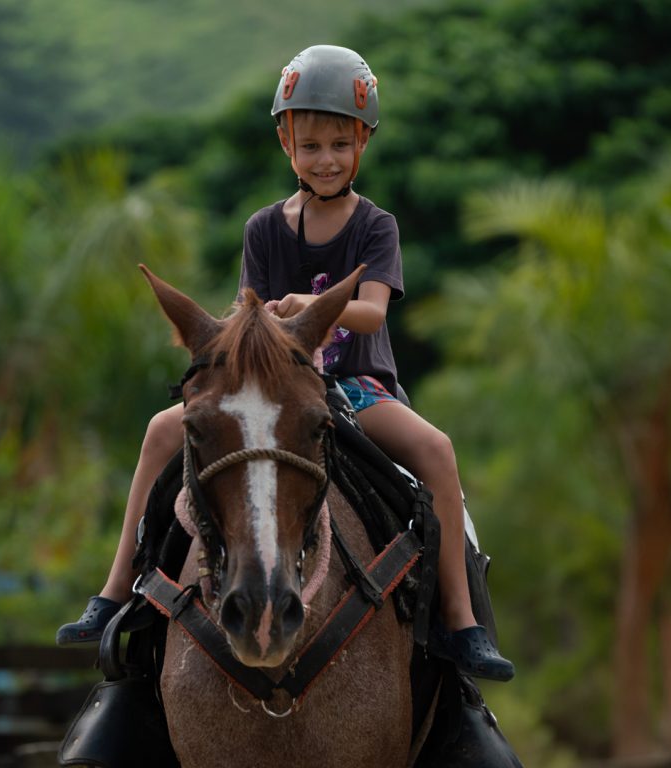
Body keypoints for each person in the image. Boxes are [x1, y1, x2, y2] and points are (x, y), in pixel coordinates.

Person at [56, 45, 514, 683]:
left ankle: (463, 624)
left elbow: (373, 313)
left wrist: (309, 308)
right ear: (285, 144)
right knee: (161, 432)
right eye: (310, 146)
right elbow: (249, 319)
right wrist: (244, 328)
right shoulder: (263, 228)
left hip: (355, 386)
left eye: (340, 145)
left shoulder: (376, 226)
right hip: (272, 387)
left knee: (436, 451)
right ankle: (117, 591)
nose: (326, 160)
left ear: (362, 143)